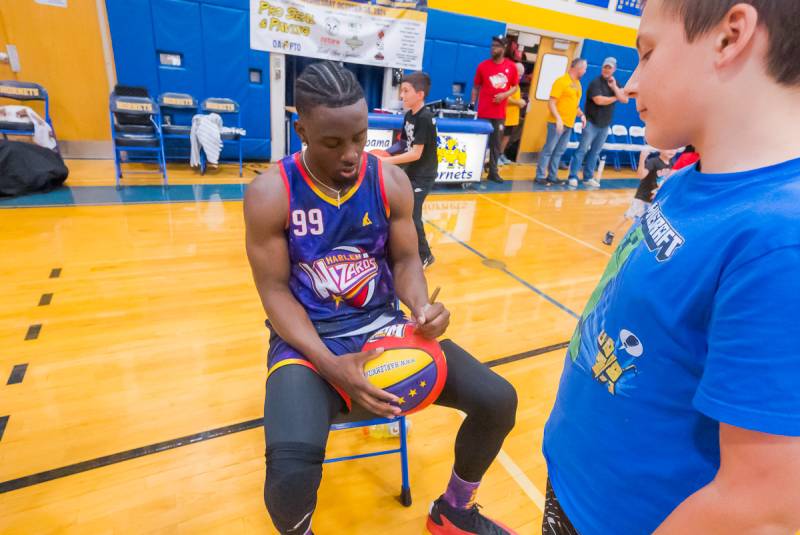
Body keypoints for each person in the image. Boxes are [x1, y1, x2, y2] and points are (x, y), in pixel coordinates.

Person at [542, 0, 800, 533]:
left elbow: (766, 505)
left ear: (730, 38)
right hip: (575, 490)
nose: (631, 84)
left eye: (648, 53)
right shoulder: (685, 180)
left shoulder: (782, 239)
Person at [244, 61, 518, 535]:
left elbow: (407, 261)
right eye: (333, 143)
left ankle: (454, 510)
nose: (352, 154)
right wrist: (332, 366)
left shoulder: (389, 182)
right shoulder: (271, 193)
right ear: (301, 129)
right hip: (308, 344)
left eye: (360, 136)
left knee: (498, 400)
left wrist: (420, 306)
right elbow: (273, 292)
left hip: (382, 331)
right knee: (289, 477)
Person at [375, 72, 437, 269]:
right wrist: (385, 152)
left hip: (423, 175)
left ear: (420, 94)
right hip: (411, 172)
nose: (402, 95)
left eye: (406, 91)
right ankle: (399, 249)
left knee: (412, 214)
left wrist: (388, 162)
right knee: (398, 210)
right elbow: (403, 142)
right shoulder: (410, 115)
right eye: (401, 90)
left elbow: (416, 153)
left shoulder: (425, 118)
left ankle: (425, 255)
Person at [567, 57, 630, 188]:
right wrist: (615, 97)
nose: (606, 70)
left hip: (605, 125)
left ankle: (587, 177)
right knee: (582, 150)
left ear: (614, 69)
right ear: (602, 68)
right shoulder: (595, 83)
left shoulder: (615, 83)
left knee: (595, 152)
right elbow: (599, 100)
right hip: (591, 122)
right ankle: (572, 176)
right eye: (605, 67)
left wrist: (614, 88)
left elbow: (625, 99)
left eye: (609, 68)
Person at [602, 147, 676, 246]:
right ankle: (610, 233)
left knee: (648, 219)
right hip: (643, 196)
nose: (671, 150)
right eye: (668, 148)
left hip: (655, 198)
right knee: (628, 215)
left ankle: (641, 240)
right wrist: (642, 159)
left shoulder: (671, 164)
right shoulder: (653, 162)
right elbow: (641, 176)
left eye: (674, 149)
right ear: (661, 149)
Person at [470, 35, 519, 183]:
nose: (493, 49)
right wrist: (473, 106)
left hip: (499, 114)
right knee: (480, 143)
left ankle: (493, 171)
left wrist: (504, 95)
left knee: (496, 144)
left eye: (496, 46)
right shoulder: (483, 66)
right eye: (492, 46)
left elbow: (515, 86)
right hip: (484, 112)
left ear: (503, 48)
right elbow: (476, 87)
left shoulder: (511, 67)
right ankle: (475, 171)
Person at [535, 59, 588, 186]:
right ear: (578, 68)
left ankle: (552, 176)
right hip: (556, 123)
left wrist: (581, 115)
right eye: (584, 69)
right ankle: (540, 175)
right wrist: (558, 118)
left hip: (569, 124)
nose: (585, 71)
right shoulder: (561, 81)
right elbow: (551, 102)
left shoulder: (578, 84)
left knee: (559, 151)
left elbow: (574, 105)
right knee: (549, 149)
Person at [499, 62, 527, 166]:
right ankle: (495, 156)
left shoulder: (516, 84)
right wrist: (518, 102)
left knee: (507, 136)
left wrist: (520, 102)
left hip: (512, 117)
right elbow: (504, 97)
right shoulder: (505, 82)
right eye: (519, 74)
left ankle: (501, 154)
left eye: (521, 75)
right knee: (500, 137)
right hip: (504, 116)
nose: (520, 77)